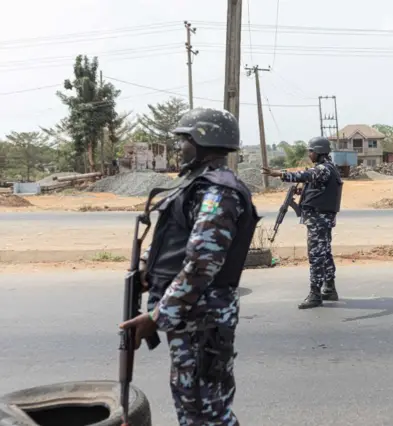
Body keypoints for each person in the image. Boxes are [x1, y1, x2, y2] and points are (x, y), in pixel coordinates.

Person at [119, 107, 259, 426]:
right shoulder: (194, 185)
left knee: (205, 413)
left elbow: (201, 264)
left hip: (202, 320)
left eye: (184, 140)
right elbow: (174, 238)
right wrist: (146, 269)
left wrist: (156, 317)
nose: (178, 148)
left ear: (202, 141)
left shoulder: (218, 192)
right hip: (190, 317)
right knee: (193, 406)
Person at [262, 136, 343, 309]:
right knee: (324, 253)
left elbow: (306, 175)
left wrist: (281, 174)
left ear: (319, 152)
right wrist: (302, 191)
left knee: (316, 256)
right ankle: (329, 288)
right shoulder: (329, 168)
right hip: (321, 219)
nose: (309, 154)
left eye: (311, 151)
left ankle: (315, 294)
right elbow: (316, 185)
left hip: (319, 220)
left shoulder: (323, 169)